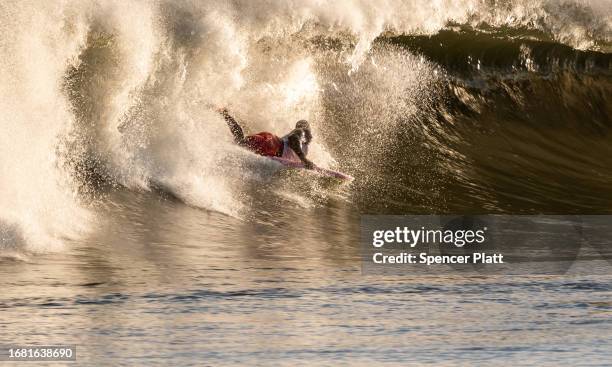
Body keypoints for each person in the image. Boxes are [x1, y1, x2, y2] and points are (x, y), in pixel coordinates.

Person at [218, 108, 315, 169]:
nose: (311, 136)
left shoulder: (304, 146)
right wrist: (304, 160)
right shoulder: (302, 131)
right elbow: (294, 138)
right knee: (240, 143)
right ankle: (225, 114)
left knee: (240, 142)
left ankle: (225, 114)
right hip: (271, 145)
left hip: (270, 143)